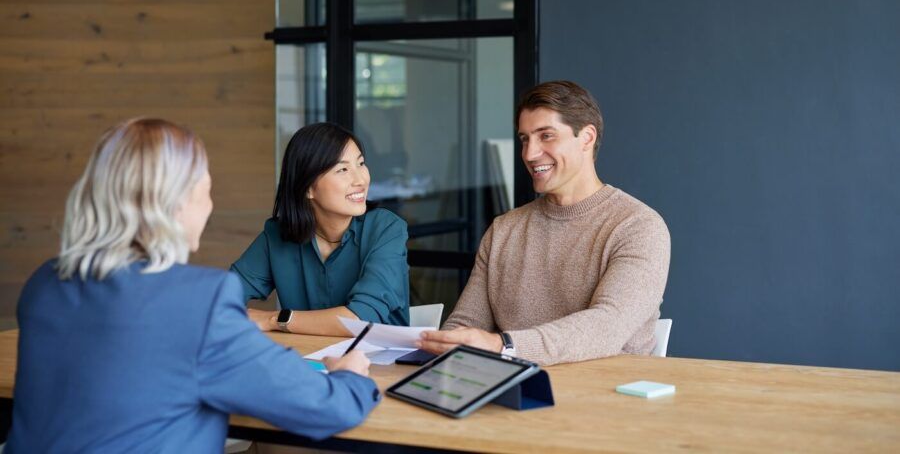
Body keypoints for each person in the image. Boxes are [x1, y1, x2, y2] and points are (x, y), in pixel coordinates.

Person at [5, 119, 380, 453]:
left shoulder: (46, 283)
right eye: (206, 189)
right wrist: (349, 375)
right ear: (177, 203)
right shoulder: (202, 300)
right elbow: (325, 408)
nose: (209, 205)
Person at [417, 80, 671, 366]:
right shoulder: (504, 229)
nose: (529, 153)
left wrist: (505, 345)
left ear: (586, 137)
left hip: (608, 399)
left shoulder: (638, 226)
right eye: (525, 139)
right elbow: (467, 321)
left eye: (546, 136)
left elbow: (608, 326)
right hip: (513, 392)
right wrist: (447, 343)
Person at [231, 122, 409, 335]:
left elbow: (361, 319)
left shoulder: (386, 229)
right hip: (306, 361)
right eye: (343, 169)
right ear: (308, 188)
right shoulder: (278, 235)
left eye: (361, 164)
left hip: (382, 363)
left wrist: (273, 319)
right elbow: (223, 297)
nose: (361, 179)